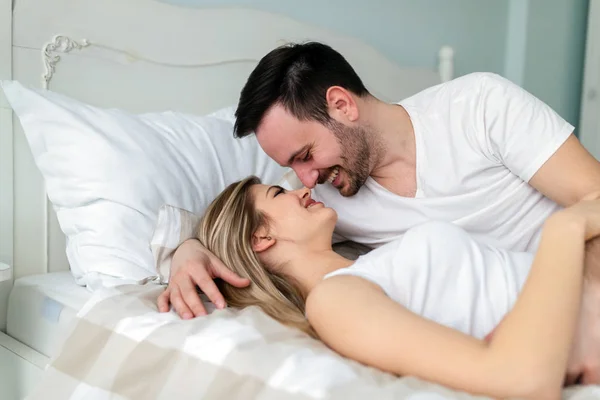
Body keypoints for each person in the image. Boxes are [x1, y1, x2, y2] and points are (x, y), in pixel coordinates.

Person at [158, 41, 600, 377]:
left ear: (342, 105)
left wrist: (582, 301)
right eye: (290, 169)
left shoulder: (478, 107)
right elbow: (242, 231)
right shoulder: (327, 202)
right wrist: (188, 248)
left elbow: (594, 198)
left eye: (305, 154)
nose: (304, 180)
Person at [160, 175, 600, 398]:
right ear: (261, 238)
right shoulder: (335, 302)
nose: (300, 188)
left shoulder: (367, 261)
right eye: (279, 192)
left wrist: (189, 246)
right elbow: (521, 379)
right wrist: (565, 228)